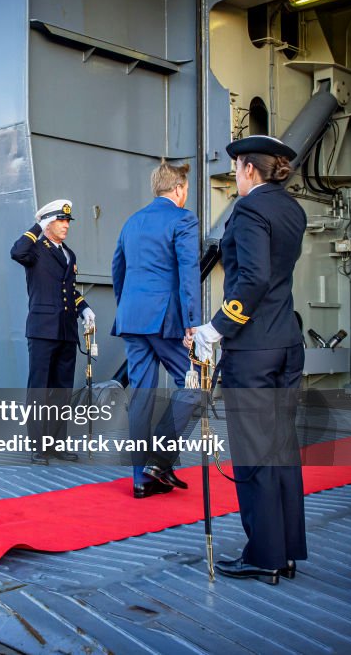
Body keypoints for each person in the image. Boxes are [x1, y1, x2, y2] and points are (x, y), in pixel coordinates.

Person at [191, 134, 306, 585]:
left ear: (249, 170)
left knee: (255, 453)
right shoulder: (292, 209)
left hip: (254, 349)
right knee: (281, 448)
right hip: (287, 344)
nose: (234, 175)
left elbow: (253, 278)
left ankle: (263, 554)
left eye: (236, 168)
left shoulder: (250, 209)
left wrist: (215, 329)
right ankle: (285, 550)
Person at [112, 161, 201, 498]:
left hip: (132, 319)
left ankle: (141, 480)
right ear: (178, 189)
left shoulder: (132, 222)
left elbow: (118, 269)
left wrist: (127, 310)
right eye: (186, 189)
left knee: (141, 395)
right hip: (165, 319)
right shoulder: (182, 219)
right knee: (193, 385)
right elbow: (189, 271)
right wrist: (192, 321)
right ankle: (160, 460)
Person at [11, 200, 95, 465]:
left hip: (66, 330)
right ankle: (38, 446)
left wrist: (84, 309)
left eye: (68, 221)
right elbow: (16, 251)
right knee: (39, 389)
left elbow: (69, 290)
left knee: (61, 390)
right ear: (48, 223)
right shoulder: (35, 249)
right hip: (42, 329)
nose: (66, 225)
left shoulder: (68, 253)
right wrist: (37, 226)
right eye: (61, 220)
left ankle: (57, 444)